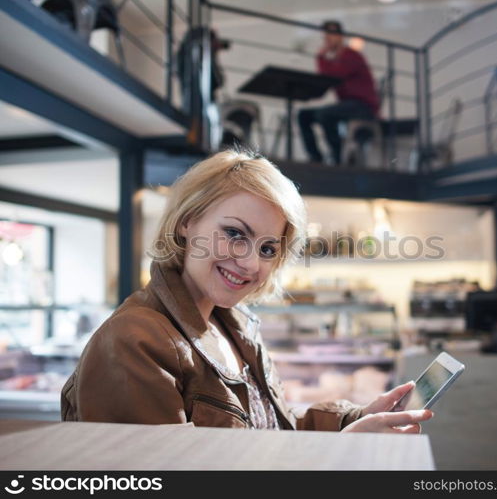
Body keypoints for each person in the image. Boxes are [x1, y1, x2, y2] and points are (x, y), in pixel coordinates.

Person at [61, 149, 433, 433]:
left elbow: (269, 431)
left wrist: (355, 419)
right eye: (235, 234)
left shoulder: (232, 325)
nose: (252, 264)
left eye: (268, 248)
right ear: (187, 221)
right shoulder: (133, 340)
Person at [298, 20, 379, 165]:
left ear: (340, 36)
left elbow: (333, 76)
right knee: (304, 115)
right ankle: (315, 157)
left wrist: (321, 57)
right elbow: (327, 80)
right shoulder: (337, 60)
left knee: (325, 114)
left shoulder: (351, 55)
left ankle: (337, 158)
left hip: (362, 106)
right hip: (348, 105)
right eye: (326, 36)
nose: (328, 39)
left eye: (331, 35)